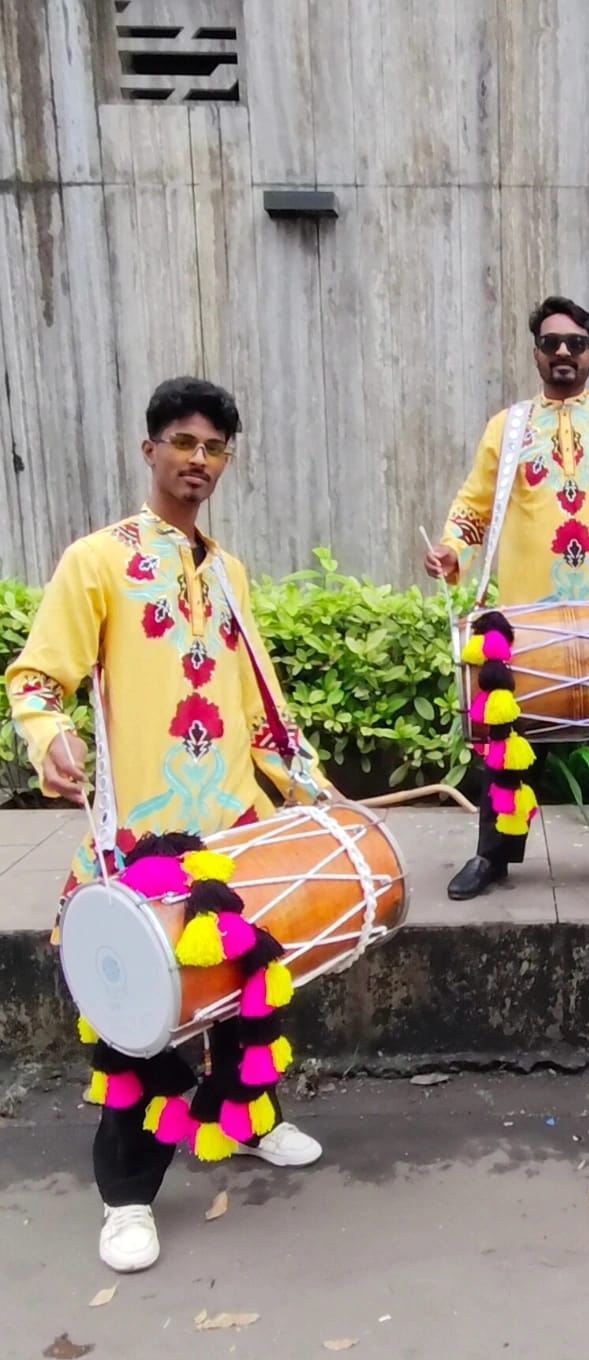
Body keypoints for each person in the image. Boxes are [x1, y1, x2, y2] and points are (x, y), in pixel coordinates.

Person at [5, 378, 328, 1274]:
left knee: (242, 1000)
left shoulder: (228, 573)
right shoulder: (96, 561)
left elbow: (261, 708)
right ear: (149, 448)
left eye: (214, 447)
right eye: (183, 442)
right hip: (142, 840)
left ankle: (245, 1121)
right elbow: (35, 678)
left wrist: (310, 786)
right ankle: (127, 1196)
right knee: (134, 1025)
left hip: (233, 830)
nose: (199, 460)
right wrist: (49, 735)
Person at [425, 296, 589, 902]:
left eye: (575, 343)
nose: (563, 353)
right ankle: (493, 857)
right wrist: (451, 550)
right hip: (528, 623)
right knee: (507, 743)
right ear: (536, 355)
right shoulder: (507, 428)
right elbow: (473, 505)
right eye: (551, 343)